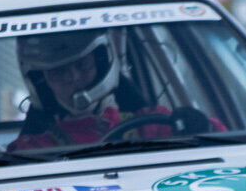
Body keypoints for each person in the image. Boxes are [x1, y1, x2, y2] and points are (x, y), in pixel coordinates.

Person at [9, 28, 177, 152]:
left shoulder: (153, 125)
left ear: (100, 62)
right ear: (43, 84)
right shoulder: (32, 148)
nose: (73, 77)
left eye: (82, 65)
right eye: (58, 72)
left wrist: (191, 125)